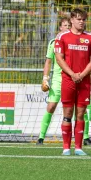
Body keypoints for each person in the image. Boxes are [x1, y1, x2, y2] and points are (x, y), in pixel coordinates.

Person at [54, 8, 91, 156]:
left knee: (81, 114)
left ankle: (78, 147)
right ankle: (66, 147)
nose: (81, 22)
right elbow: (59, 58)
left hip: (84, 81)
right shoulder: (62, 37)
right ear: (72, 20)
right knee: (67, 113)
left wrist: (82, 74)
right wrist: (73, 74)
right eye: (78, 19)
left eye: (83, 19)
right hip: (68, 80)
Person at [37, 17, 70, 145]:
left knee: (80, 109)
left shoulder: (75, 42)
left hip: (72, 80)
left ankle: (86, 137)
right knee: (51, 107)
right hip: (57, 80)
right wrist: (45, 78)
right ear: (60, 27)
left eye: (69, 25)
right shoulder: (53, 43)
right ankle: (41, 137)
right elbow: (48, 61)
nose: (67, 27)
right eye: (65, 25)